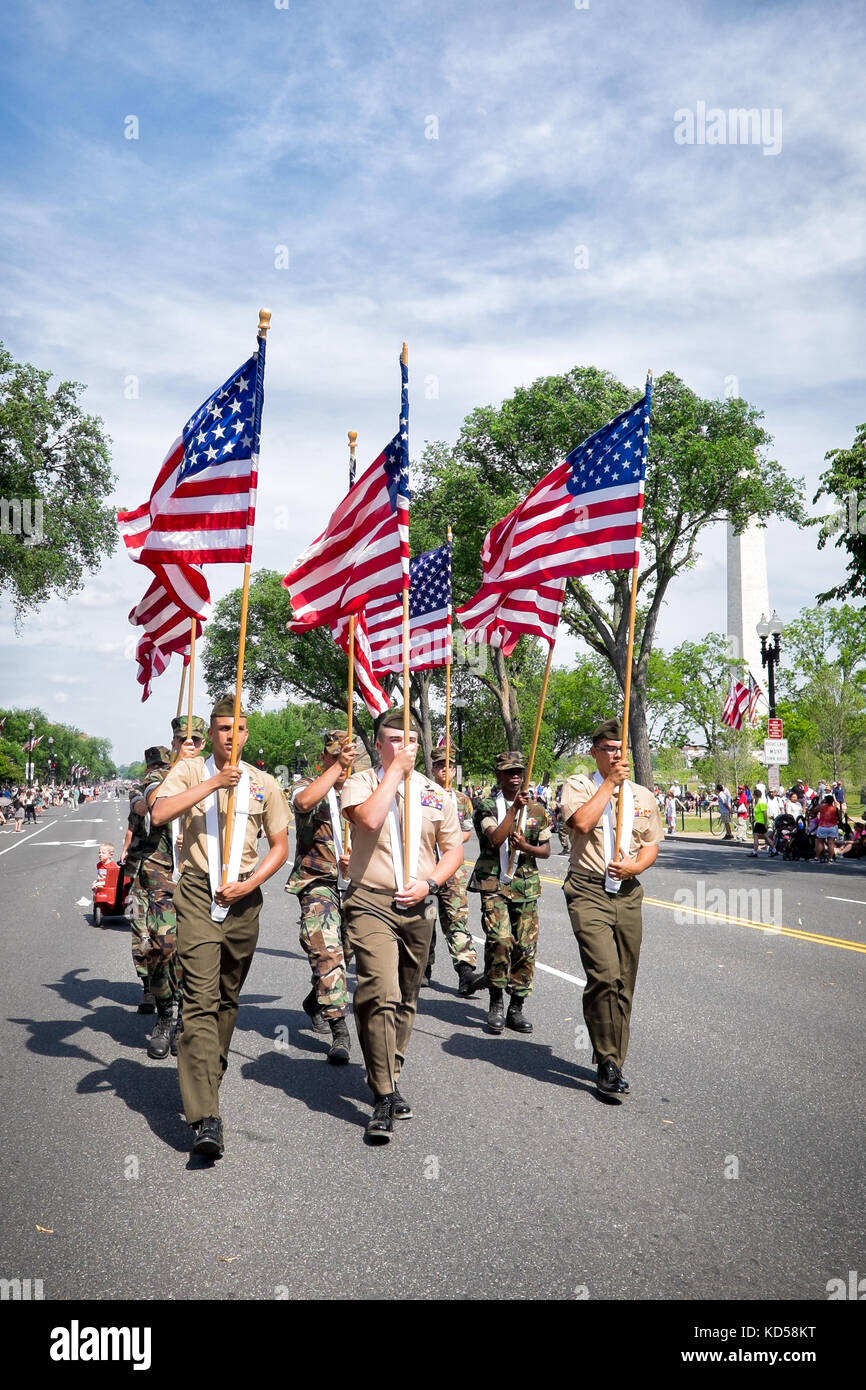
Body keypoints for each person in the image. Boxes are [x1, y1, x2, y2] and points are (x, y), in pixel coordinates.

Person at [151, 696, 289, 1159]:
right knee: (201, 1000)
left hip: (244, 901)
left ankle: (209, 1070)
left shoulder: (264, 783)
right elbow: (160, 813)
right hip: (196, 893)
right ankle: (205, 1118)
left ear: (248, 734)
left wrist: (251, 881)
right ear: (211, 733)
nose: (231, 735)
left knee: (228, 998)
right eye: (223, 728)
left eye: (239, 728)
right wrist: (213, 781)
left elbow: (279, 844)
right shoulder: (191, 770)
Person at [340, 709, 463, 1144]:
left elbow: (453, 851)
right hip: (370, 900)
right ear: (378, 745)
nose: (402, 746)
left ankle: (390, 1070)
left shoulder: (436, 795)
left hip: (419, 906)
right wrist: (394, 773)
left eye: (409, 739)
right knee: (379, 989)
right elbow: (369, 820)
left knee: (407, 998)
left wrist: (430, 882)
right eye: (393, 739)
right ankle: (383, 1094)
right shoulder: (361, 782)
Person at [560, 719, 663, 1100]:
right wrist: (610, 784)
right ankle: (606, 1061)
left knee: (624, 980)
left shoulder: (643, 796)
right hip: (588, 890)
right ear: (595, 752)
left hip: (627, 892)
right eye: (609, 749)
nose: (617, 755)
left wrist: (635, 866)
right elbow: (583, 822)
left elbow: (651, 844)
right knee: (603, 973)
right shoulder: (580, 785)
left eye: (622, 749)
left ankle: (614, 1060)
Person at [285, 729, 356, 1065]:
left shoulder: (362, 791)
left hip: (357, 884)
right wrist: (334, 771)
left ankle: (317, 1001)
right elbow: (302, 803)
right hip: (318, 883)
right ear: (325, 758)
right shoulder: (308, 787)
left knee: (348, 953)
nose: (343, 762)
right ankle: (340, 1030)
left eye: (347, 756)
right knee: (327, 952)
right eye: (334, 755)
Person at [467, 751, 551, 1036]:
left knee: (525, 949)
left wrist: (527, 847)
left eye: (519, 772)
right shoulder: (487, 806)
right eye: (509, 772)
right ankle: (496, 1003)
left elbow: (546, 850)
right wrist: (514, 810)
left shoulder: (538, 810)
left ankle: (517, 1007)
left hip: (525, 886)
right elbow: (495, 838)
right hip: (494, 885)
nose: (515, 776)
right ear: (499, 776)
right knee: (500, 940)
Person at [424, 748, 479, 995]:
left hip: (452, 869)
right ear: (434, 769)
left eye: (450, 766)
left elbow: (467, 829)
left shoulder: (463, 800)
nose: (446, 770)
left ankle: (465, 972)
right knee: (425, 919)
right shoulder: (423, 795)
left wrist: (453, 840)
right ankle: (423, 967)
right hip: (426, 866)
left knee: (457, 919)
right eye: (440, 766)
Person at [815, 795, 840, 863]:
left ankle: (817, 857)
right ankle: (830, 858)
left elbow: (814, 810)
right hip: (832, 826)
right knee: (831, 843)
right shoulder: (835, 808)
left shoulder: (821, 806)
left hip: (823, 826)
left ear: (825, 800)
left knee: (820, 842)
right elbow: (839, 817)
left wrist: (821, 803)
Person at [750, 788, 769, 855]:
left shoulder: (761, 803)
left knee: (756, 836)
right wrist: (754, 820)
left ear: (755, 795)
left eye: (753, 795)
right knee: (766, 837)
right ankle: (774, 850)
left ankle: (754, 852)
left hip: (761, 822)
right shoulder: (758, 802)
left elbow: (765, 813)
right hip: (758, 821)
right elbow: (759, 814)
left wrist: (765, 824)